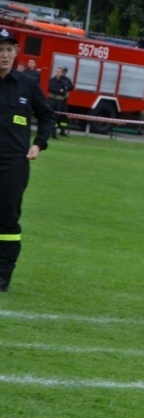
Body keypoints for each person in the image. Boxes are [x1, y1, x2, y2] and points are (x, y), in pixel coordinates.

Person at [0, 29, 55, 292]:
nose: (4, 55)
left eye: (9, 50)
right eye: (0, 50)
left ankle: (3, 275)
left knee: (7, 220)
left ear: (16, 53)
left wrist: (38, 144)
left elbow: (47, 117)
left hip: (13, 164)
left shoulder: (27, 84)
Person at [47, 66, 73, 138]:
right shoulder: (52, 80)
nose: (58, 73)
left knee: (57, 117)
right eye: (57, 71)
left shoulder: (64, 81)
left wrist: (60, 91)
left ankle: (55, 132)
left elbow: (65, 90)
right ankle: (49, 131)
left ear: (62, 73)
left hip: (59, 101)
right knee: (49, 116)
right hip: (51, 100)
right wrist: (59, 90)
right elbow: (51, 89)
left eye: (60, 72)